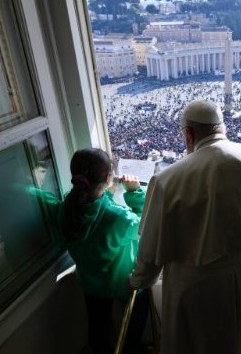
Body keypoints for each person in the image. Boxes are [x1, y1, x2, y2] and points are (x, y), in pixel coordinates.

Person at [128, 100, 241, 354]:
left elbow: (150, 250)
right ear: (222, 128)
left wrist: (139, 280)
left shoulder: (167, 180)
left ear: (188, 133)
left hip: (199, 287)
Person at [59, 148, 148, 354]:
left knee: (98, 331)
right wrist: (134, 192)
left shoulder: (66, 209)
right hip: (121, 283)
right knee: (134, 320)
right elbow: (144, 224)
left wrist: (106, 192)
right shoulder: (118, 218)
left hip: (91, 282)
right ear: (109, 178)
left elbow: (92, 216)